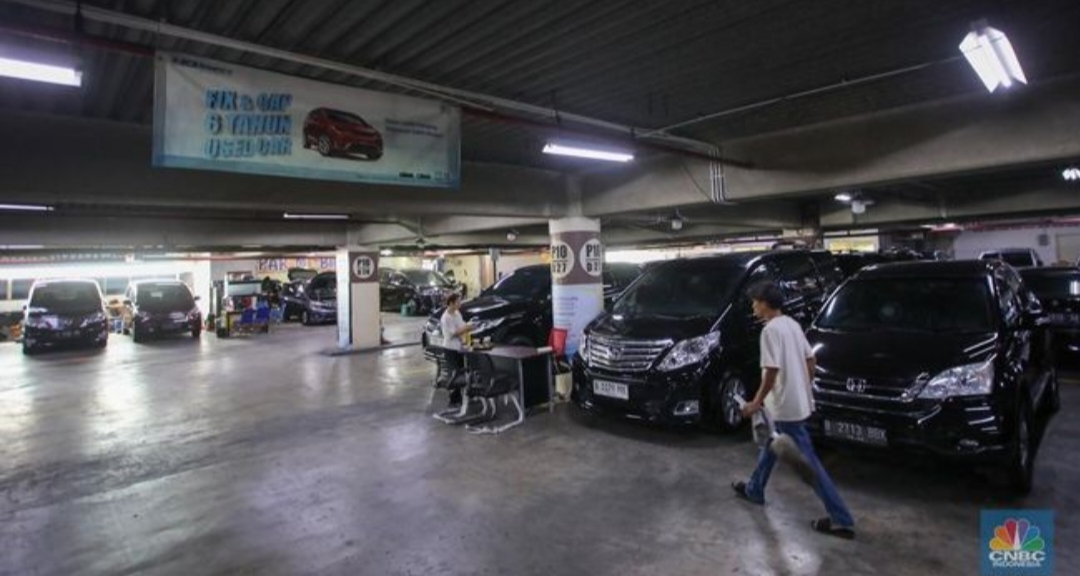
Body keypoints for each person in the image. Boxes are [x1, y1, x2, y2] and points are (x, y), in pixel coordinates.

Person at [732, 281, 856, 540]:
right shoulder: (792, 325)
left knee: (808, 463)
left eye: (755, 301)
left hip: (785, 407)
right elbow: (811, 361)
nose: (753, 306)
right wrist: (801, 386)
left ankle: (840, 518)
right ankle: (755, 489)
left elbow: (771, 371)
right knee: (771, 444)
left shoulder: (770, 331)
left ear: (765, 304)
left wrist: (755, 402)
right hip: (796, 402)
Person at [440, 293, 473, 407]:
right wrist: (467, 328)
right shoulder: (446, 317)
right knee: (454, 373)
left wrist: (468, 326)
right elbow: (453, 333)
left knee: (461, 371)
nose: (460, 304)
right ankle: (453, 400)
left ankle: (463, 397)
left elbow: (461, 326)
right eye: (458, 302)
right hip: (450, 349)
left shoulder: (457, 313)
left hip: (459, 348)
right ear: (451, 303)